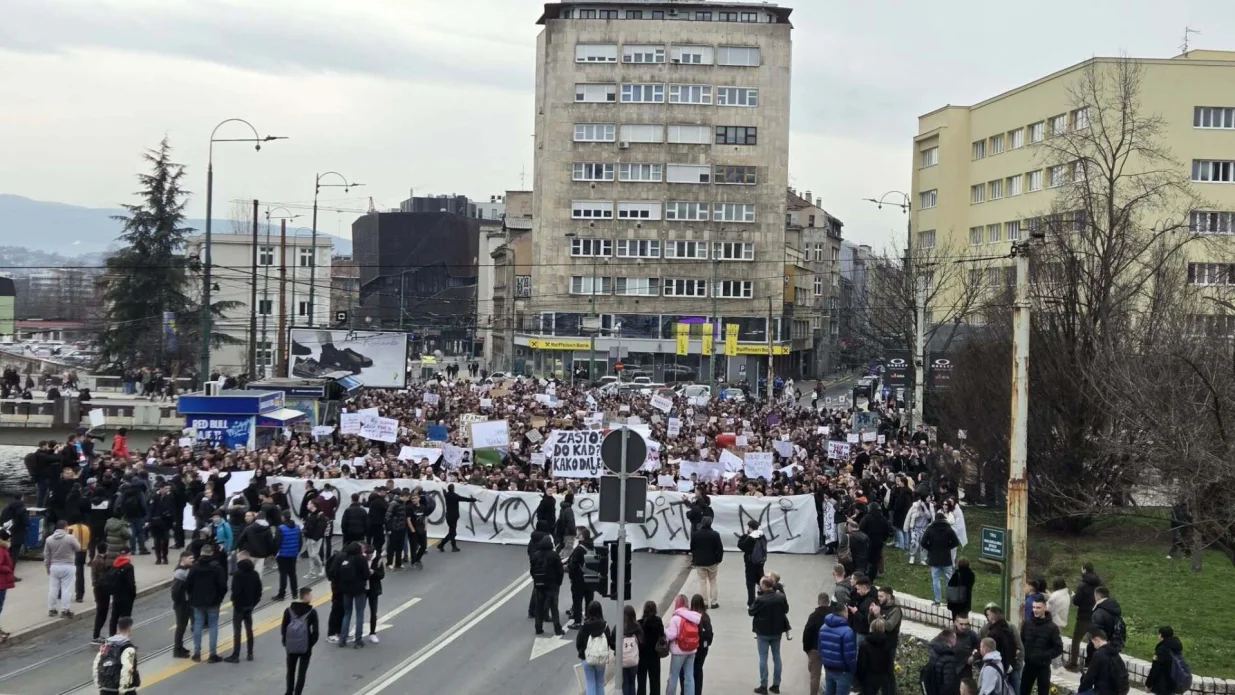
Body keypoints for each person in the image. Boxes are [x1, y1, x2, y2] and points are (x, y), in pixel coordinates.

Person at [185, 544, 227, 662]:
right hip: (213, 601)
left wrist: (192, 597)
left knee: (198, 625)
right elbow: (223, 585)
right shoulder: (217, 567)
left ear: (201, 553)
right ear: (211, 553)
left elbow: (188, 584)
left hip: (197, 601)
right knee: (213, 626)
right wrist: (219, 598)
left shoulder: (195, 567)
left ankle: (197, 653)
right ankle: (212, 654)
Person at [750, 576, 789, 694]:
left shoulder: (760, 599)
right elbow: (786, 609)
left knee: (763, 657)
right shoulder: (780, 597)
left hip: (762, 632)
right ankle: (776, 684)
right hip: (777, 631)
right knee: (777, 656)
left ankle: (763, 685)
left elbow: (751, 611)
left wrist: (758, 595)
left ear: (763, 586)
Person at [1019, 597, 1062, 695]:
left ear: (1045, 608)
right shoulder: (1027, 624)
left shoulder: (1052, 627)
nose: (1035, 610)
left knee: (1043, 691)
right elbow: (1022, 641)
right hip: (1029, 665)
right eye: (1033, 607)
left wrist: (1043, 656)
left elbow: (1058, 648)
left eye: (1038, 607)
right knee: (1023, 690)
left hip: (1043, 666)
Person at [282, 586, 320, 695]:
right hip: (305, 648)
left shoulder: (288, 611)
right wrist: (309, 645)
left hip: (291, 647)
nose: (311, 597)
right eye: (310, 595)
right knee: (301, 673)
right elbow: (316, 632)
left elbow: (284, 629)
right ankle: (297, 693)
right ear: (306, 596)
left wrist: (286, 643)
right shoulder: (312, 612)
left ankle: (289, 692)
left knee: (290, 671)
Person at [818, 596, 858, 695]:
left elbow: (820, 648)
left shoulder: (823, 627)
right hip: (843, 672)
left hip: (828, 668)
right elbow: (850, 655)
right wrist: (852, 670)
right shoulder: (847, 631)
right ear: (844, 613)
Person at [226, 557, 263, 662]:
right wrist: (253, 603)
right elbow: (259, 590)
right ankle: (250, 653)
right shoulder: (255, 574)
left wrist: (235, 603)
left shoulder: (238, 575)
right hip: (249, 606)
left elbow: (235, 591)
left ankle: (236, 655)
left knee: (237, 631)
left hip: (239, 607)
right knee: (249, 630)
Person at [575, 600, 615, 695]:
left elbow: (579, 642)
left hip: (587, 658)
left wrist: (582, 652)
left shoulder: (584, 626)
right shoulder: (605, 626)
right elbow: (609, 641)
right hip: (601, 658)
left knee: (590, 683)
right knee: (600, 683)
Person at [1066, 563, 1102, 670]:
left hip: (1083, 616)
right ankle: (1094, 663)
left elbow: (1077, 601)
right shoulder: (1099, 584)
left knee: (1076, 640)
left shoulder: (1082, 585)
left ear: (1084, 570)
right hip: (1096, 616)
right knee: (1096, 639)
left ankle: (1073, 663)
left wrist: (1074, 597)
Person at [664, 594, 701, 695]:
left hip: (679, 651)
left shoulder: (676, 618)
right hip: (692, 650)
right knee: (689, 677)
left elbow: (672, 635)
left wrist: (665, 631)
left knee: (673, 676)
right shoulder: (693, 617)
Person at [920, 512, 960, 605]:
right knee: (949, 580)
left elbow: (923, 542)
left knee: (936, 580)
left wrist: (930, 548)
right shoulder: (949, 529)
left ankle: (937, 600)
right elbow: (955, 542)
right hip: (946, 558)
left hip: (934, 559)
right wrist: (948, 547)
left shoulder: (930, 529)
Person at [44, 519, 81, 618]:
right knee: (66, 589)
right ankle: (65, 610)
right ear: (65, 527)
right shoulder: (70, 538)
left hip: (54, 566)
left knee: (53, 588)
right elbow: (78, 548)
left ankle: (52, 609)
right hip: (68, 565)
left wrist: (47, 566)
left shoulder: (49, 539)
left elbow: (47, 555)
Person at [93, 615, 139, 695]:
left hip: (106, 688)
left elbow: (97, 663)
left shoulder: (106, 645)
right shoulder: (128, 648)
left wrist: (100, 684)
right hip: (125, 690)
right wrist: (123, 689)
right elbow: (128, 669)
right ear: (129, 629)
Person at [337, 541, 370, 648]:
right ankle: (358, 640)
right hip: (359, 589)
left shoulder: (345, 558)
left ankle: (342, 639)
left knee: (347, 614)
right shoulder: (361, 558)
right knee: (359, 614)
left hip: (346, 589)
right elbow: (366, 574)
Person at [531, 534, 565, 636]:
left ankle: (538, 628)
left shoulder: (536, 555)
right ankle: (557, 629)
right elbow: (560, 571)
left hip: (539, 585)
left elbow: (532, 570)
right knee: (554, 608)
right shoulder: (554, 555)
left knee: (539, 607)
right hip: (552, 585)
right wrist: (558, 582)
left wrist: (536, 580)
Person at [1078, 629, 1128, 695]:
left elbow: (1088, 680)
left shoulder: (1098, 654)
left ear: (1097, 640)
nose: (1092, 644)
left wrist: (1080, 691)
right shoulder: (1114, 652)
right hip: (1120, 691)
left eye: (1091, 641)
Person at [689, 516, 724, 610]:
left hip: (700, 562)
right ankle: (714, 602)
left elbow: (692, 547)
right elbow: (720, 549)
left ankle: (704, 603)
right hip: (712, 562)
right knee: (713, 581)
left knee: (702, 582)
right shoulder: (715, 534)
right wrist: (718, 560)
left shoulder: (696, 534)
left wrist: (696, 557)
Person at [567, 526, 597, 629]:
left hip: (579, 580)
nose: (577, 536)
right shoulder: (592, 547)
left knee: (577, 601)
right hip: (590, 578)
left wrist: (571, 574)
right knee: (589, 601)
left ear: (583, 537)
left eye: (579, 535)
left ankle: (577, 622)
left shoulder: (579, 549)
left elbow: (573, 564)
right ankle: (589, 619)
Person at [803, 592, 832, 695]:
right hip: (831, 649)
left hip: (815, 649)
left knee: (815, 676)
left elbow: (807, 633)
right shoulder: (834, 615)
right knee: (831, 674)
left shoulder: (814, 616)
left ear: (818, 602)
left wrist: (807, 649)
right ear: (828, 602)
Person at [856, 619, 895, 695]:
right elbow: (890, 665)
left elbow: (862, 665)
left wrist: (860, 681)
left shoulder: (864, 645)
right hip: (883, 680)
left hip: (868, 680)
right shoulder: (887, 644)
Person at [1087, 586, 1124, 662]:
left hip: (1100, 651)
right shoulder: (1114, 609)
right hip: (1113, 647)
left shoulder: (1099, 613)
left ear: (1097, 597)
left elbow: (1095, 635)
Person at [1145, 626, 1185, 695]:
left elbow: (1155, 669)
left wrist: (1148, 684)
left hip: (1163, 684)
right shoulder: (1176, 646)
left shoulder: (1161, 649)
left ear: (1160, 635)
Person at [107, 547, 137, 638]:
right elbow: (131, 583)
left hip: (116, 595)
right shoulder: (129, 566)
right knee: (126, 618)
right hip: (126, 596)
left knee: (114, 617)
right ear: (129, 554)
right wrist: (133, 594)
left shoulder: (115, 564)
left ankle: (112, 637)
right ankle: (125, 638)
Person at [637, 599, 666, 695]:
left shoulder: (639, 623)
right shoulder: (658, 621)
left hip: (642, 657)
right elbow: (662, 636)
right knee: (655, 682)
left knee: (641, 683)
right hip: (654, 656)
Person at [737, 520, 767, 608]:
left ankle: (751, 602)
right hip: (760, 562)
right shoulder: (762, 536)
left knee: (750, 583)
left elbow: (741, 545)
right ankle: (763, 598)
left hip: (750, 563)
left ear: (750, 528)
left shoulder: (750, 538)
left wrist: (744, 537)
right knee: (761, 580)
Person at [437, 483, 475, 552]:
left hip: (448, 516)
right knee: (453, 532)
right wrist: (473, 499)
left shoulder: (447, 495)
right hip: (454, 517)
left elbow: (444, 492)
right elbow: (464, 499)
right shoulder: (455, 496)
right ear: (453, 489)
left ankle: (450, 546)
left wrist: (443, 489)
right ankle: (443, 545)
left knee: (452, 531)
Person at [687, 595, 712, 695]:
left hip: (692, 647)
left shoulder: (690, 617)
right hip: (703, 649)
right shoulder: (705, 617)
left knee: (689, 671)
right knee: (699, 669)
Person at [273, 511, 302, 600]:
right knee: (293, 574)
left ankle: (282, 594)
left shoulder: (281, 528)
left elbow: (277, 542)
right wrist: (297, 551)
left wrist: (275, 553)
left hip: (283, 555)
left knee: (283, 575)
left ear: (283, 518)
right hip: (293, 554)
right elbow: (300, 542)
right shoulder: (297, 527)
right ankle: (295, 594)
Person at [170, 551, 194, 658]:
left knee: (183, 626)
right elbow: (175, 591)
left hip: (185, 602)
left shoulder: (186, 569)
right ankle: (177, 649)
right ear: (183, 559)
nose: (192, 560)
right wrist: (180, 602)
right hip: (181, 604)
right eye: (190, 558)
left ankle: (180, 647)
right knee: (181, 626)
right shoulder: (179, 573)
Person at [923, 629, 961, 695]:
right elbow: (949, 684)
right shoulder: (949, 659)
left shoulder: (932, 652)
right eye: (955, 638)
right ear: (952, 639)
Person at [619, 604, 643, 695]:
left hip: (623, 659)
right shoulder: (637, 626)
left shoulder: (620, 627)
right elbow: (642, 641)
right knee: (632, 682)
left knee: (625, 682)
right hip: (634, 659)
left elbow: (613, 642)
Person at [1046, 578, 1070, 666]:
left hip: (1054, 621)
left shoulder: (1056, 595)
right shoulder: (1066, 594)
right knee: (1057, 642)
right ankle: (1057, 663)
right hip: (1061, 621)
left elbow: (1050, 609)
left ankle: (1055, 664)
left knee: (1052, 643)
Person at [364, 543, 385, 643]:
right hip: (363, 589)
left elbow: (382, 575)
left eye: (370, 555)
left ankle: (372, 633)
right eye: (367, 555)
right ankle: (359, 632)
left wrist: (374, 572)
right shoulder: (361, 558)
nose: (368, 557)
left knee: (373, 612)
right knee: (360, 611)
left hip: (373, 589)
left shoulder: (378, 559)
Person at [302, 500, 327, 579]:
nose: (307, 505)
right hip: (309, 537)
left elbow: (321, 528)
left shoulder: (320, 514)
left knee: (314, 554)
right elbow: (307, 524)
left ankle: (322, 567)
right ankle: (312, 572)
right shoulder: (310, 514)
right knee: (310, 556)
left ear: (313, 505)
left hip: (316, 539)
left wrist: (315, 538)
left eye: (309, 503)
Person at [67, 518, 91, 602]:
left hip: (73, 553)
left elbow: (67, 540)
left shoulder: (70, 528)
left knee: (67, 574)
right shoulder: (86, 528)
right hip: (83, 552)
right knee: (80, 574)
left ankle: (62, 593)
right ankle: (80, 595)